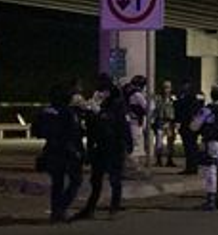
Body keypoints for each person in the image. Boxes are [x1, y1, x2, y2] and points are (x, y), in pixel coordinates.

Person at [73, 73, 131, 220]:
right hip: (100, 145)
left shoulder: (116, 102)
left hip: (114, 144)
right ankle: (90, 208)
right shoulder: (97, 99)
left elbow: (121, 123)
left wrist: (127, 142)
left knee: (114, 178)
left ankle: (114, 208)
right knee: (96, 179)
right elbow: (92, 125)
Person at [32, 84, 85, 223]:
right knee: (76, 180)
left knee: (57, 182)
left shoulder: (44, 111)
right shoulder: (67, 112)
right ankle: (61, 208)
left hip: (50, 149)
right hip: (67, 151)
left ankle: (56, 212)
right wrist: (80, 152)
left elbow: (36, 131)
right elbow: (75, 133)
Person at [191, 84, 218, 210]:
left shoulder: (209, 109)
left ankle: (211, 200)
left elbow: (194, 126)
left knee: (210, 170)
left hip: (211, 143)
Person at [174, 81, 204, 175]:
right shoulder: (197, 98)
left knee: (189, 147)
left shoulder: (185, 99)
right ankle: (193, 166)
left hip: (187, 125)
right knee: (193, 146)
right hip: (194, 124)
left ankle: (191, 167)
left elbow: (179, 109)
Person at [124, 75, 150, 172]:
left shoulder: (129, 93)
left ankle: (132, 166)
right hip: (134, 122)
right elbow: (148, 107)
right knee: (136, 144)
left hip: (132, 121)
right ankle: (134, 167)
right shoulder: (137, 94)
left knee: (134, 143)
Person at [152, 79, 177, 167]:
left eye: (168, 87)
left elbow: (175, 109)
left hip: (170, 122)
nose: (166, 89)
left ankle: (169, 160)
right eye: (165, 87)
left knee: (170, 141)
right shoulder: (157, 98)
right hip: (160, 121)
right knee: (159, 142)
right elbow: (154, 110)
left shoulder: (173, 98)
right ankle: (159, 160)